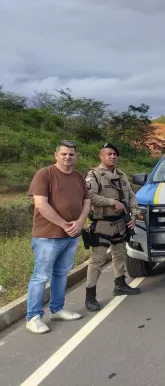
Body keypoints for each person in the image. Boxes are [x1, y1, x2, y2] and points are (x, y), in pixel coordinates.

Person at [25, 140, 91, 334]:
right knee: (40, 276)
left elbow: (86, 201)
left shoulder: (78, 176)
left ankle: (57, 309)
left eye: (71, 154)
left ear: (76, 157)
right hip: (48, 236)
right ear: (56, 155)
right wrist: (64, 224)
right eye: (64, 154)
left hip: (72, 235)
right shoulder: (44, 174)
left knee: (61, 273)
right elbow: (41, 204)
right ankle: (33, 317)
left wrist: (79, 222)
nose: (67, 157)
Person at [84, 143, 140, 312]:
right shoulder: (94, 175)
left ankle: (120, 284)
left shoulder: (121, 175)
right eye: (109, 154)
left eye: (115, 154)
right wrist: (111, 202)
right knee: (97, 260)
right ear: (101, 156)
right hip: (102, 223)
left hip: (122, 223)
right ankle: (90, 295)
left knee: (120, 254)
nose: (112, 156)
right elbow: (90, 196)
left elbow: (131, 195)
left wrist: (134, 214)